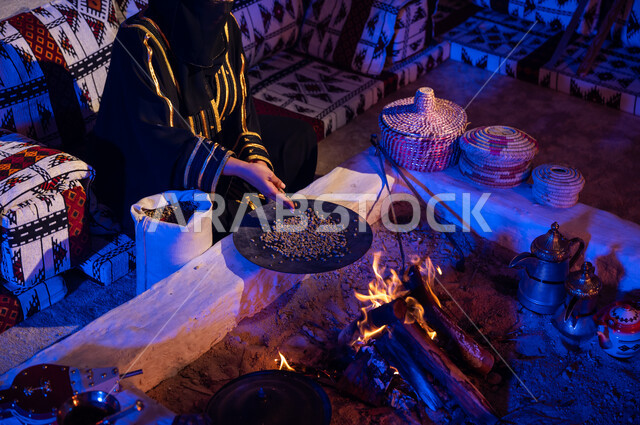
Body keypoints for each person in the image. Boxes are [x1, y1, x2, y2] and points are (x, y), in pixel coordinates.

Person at [90, 0, 317, 235]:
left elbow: (241, 108)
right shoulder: (139, 40)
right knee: (196, 217)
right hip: (154, 164)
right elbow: (157, 140)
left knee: (297, 140)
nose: (221, 12)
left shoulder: (225, 27)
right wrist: (240, 169)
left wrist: (256, 163)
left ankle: (261, 212)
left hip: (213, 143)